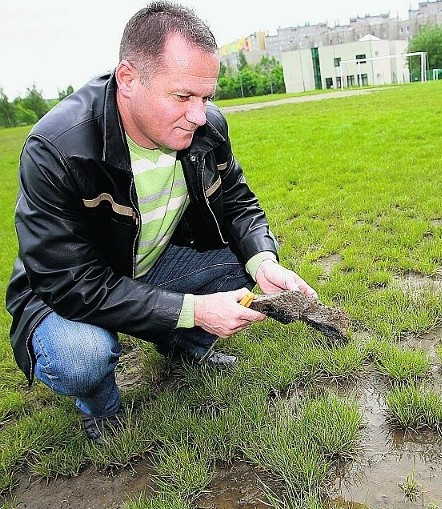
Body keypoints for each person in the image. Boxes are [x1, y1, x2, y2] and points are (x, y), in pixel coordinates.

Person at [5, 1, 316, 444]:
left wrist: (264, 262)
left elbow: (238, 205)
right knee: (82, 355)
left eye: (207, 97)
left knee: (244, 269)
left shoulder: (206, 128)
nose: (198, 114)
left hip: (149, 261)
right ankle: (102, 408)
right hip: (65, 288)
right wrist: (192, 309)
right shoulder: (57, 147)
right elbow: (70, 282)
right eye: (183, 96)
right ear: (128, 79)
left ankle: (183, 346)